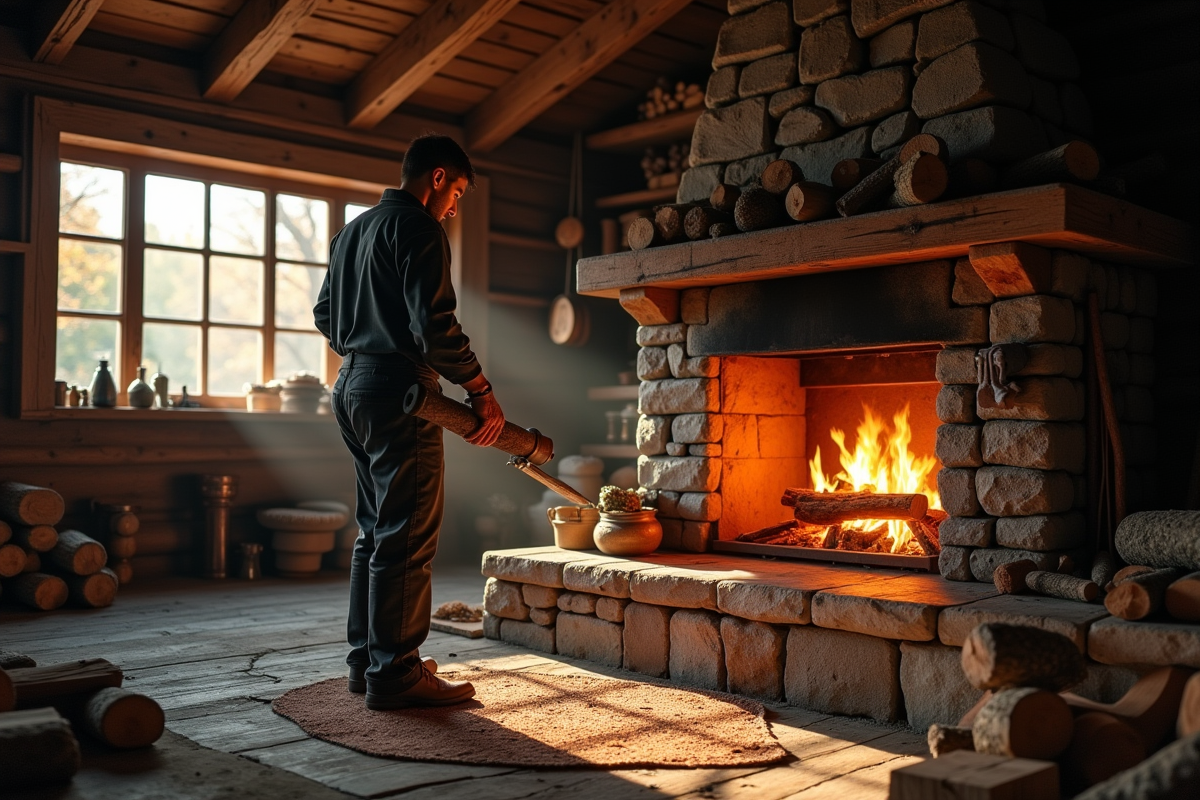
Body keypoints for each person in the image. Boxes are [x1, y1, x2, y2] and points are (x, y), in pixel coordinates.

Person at [314, 134, 504, 710]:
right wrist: (481, 390)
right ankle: (395, 675)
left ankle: (366, 663)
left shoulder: (352, 230)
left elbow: (325, 313)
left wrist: (363, 346)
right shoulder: (420, 228)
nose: (454, 208)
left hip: (350, 386)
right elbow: (436, 327)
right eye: (459, 194)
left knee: (375, 532)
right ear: (440, 177)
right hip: (401, 391)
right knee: (408, 534)